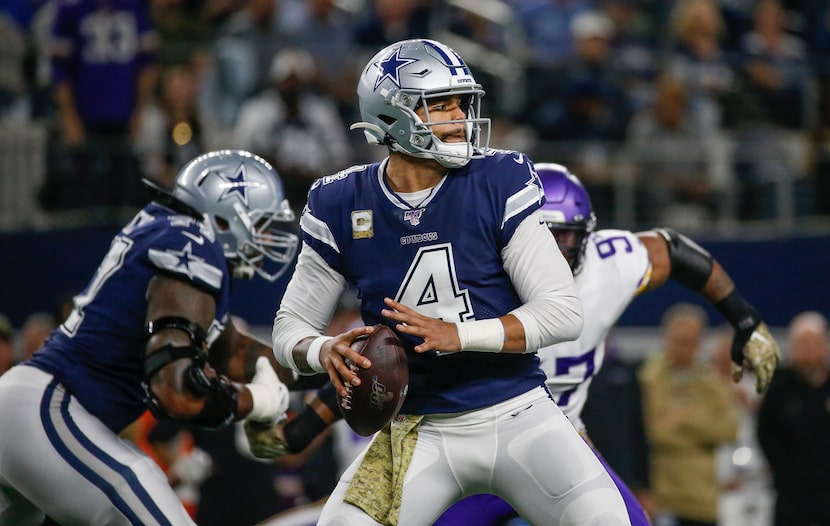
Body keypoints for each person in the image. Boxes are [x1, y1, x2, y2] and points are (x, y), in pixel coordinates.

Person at [253, 162, 781, 524]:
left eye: (564, 237)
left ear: (587, 235)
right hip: (448, 433)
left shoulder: (608, 264)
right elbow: (390, 360)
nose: (550, 247)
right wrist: (303, 426)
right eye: (539, 233)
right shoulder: (474, 266)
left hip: (555, 440)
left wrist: (745, 318)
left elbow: (675, 252)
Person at [270, 38, 634, 525]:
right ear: (393, 115)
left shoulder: (498, 178)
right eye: (441, 105)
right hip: (416, 428)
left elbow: (562, 312)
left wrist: (459, 335)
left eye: (461, 103)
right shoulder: (340, 201)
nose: (460, 117)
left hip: (519, 411)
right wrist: (322, 351)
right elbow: (289, 327)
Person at [0, 149, 298, 525]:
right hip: (49, 411)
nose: (266, 238)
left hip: (31, 412)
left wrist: (328, 359)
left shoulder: (171, 233)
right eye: (261, 224)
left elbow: (237, 354)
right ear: (224, 218)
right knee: (141, 488)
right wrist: (257, 400)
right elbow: (177, 392)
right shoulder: (193, 244)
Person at [639, 303, 740, 526]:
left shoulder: (712, 384)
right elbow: (651, 432)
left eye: (691, 341)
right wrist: (700, 434)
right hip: (662, 495)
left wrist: (683, 419)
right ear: (666, 338)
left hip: (703, 500)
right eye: (679, 340)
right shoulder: (647, 379)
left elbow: (729, 430)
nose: (684, 348)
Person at [757, 310, 830, 526]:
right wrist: (783, 470)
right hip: (792, 495)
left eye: (812, 344)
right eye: (801, 345)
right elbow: (765, 434)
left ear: (824, 346)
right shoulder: (779, 390)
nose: (806, 352)